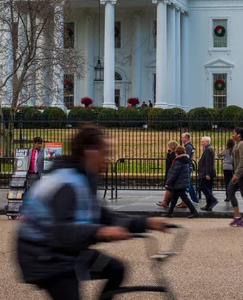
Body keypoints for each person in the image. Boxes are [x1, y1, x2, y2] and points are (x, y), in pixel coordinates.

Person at [16, 124, 167, 300]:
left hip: (64, 251)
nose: (107, 159)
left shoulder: (84, 177)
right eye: (105, 153)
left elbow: (102, 215)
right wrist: (100, 231)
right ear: (90, 152)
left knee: (116, 269)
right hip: (43, 256)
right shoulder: (65, 182)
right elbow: (62, 230)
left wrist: (146, 223)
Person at [163, 146, 199, 219]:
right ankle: (170, 213)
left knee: (184, 198)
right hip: (181, 182)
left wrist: (168, 182)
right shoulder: (185, 160)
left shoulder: (178, 161)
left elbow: (174, 174)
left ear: (177, 153)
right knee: (174, 198)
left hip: (178, 183)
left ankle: (194, 212)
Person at [178, 132, 199, 207]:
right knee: (188, 185)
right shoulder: (188, 146)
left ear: (186, 138)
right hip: (187, 166)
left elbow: (186, 157)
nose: (181, 138)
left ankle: (192, 200)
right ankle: (189, 201)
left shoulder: (188, 147)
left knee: (188, 185)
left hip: (187, 167)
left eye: (182, 137)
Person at [156, 140, 179, 208]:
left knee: (170, 188)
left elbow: (170, 162)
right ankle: (166, 202)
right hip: (170, 172)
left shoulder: (173, 155)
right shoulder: (172, 154)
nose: (168, 147)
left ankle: (165, 202)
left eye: (169, 146)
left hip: (171, 172)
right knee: (172, 190)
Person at [197, 136, 218, 211]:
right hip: (207, 172)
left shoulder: (208, 149)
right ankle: (209, 204)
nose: (201, 143)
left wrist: (207, 174)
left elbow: (208, 162)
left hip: (206, 172)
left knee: (202, 187)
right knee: (208, 188)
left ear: (207, 142)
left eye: (203, 141)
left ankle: (213, 200)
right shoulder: (208, 149)